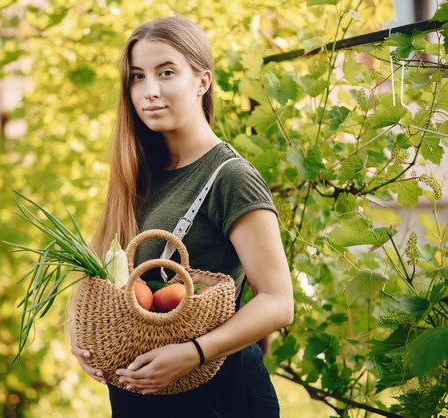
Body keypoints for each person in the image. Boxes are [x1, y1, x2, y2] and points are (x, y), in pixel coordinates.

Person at [68, 14, 294, 418]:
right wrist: (82, 337)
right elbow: (110, 282)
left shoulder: (230, 177)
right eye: (137, 76)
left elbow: (278, 302)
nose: (149, 91)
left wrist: (194, 352)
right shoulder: (137, 175)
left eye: (166, 72)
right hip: (140, 399)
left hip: (217, 397)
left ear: (202, 81)